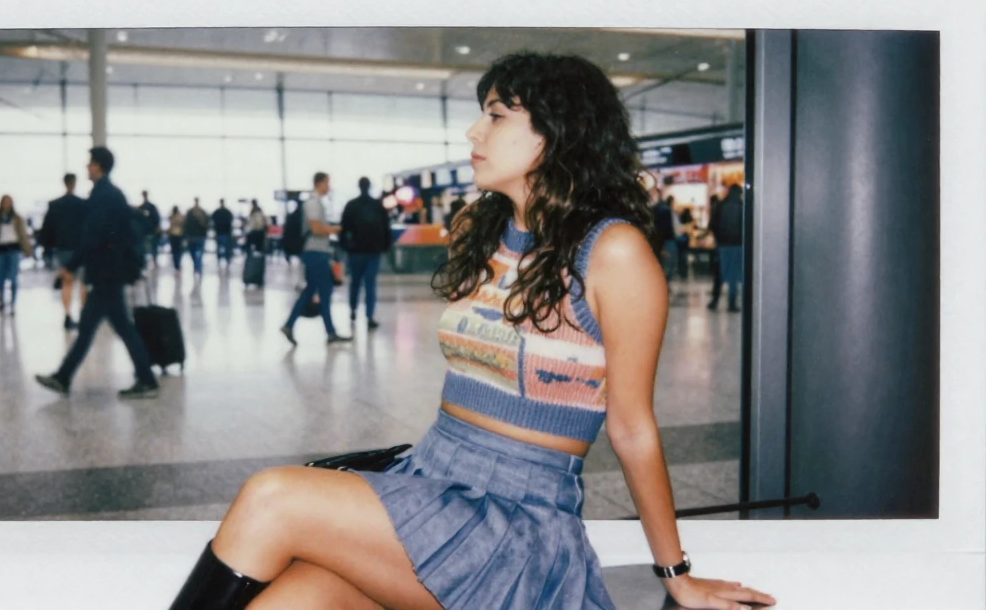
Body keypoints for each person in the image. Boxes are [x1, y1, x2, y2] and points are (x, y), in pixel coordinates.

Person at [167, 53, 776, 610]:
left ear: (558, 132)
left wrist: (676, 572)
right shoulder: (481, 230)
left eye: (496, 115)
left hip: (512, 525)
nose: (473, 134)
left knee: (273, 497)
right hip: (428, 483)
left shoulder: (613, 253)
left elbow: (633, 426)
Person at [35, 147, 159, 398]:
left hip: (106, 273)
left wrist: (70, 266)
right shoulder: (109, 194)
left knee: (105, 328)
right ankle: (65, 377)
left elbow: (92, 237)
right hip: (109, 272)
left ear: (99, 166)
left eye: (90, 163)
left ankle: (65, 377)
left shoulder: (104, 195)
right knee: (112, 327)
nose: (87, 167)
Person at [280, 173, 353, 346]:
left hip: (317, 251)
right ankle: (330, 332)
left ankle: (289, 325)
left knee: (310, 291)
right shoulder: (312, 203)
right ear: (319, 183)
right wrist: (337, 229)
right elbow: (316, 228)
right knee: (325, 290)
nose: (329, 187)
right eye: (327, 183)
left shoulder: (316, 203)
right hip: (314, 252)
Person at [340, 176, 393, 330]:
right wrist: (385, 246)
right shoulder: (377, 205)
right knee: (370, 284)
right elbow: (386, 227)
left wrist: (344, 247)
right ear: (369, 187)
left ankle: (353, 311)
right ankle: (369, 316)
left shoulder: (351, 205)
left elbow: (344, 228)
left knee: (355, 283)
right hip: (373, 252)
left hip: (355, 251)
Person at [41, 173, 89, 328]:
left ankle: (67, 315)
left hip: (62, 248)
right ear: (74, 183)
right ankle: (83, 314)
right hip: (80, 248)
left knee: (66, 282)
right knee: (82, 282)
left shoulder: (55, 205)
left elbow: (47, 229)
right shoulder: (83, 204)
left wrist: (47, 248)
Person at [0, 194, 33, 314]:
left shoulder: (17, 218)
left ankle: (13, 303)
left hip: (13, 249)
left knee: (13, 278)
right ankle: (2, 300)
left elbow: (23, 235)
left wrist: (27, 249)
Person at [710, 183, 745, 313]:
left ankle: (715, 301)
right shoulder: (742, 205)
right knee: (735, 274)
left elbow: (712, 224)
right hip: (738, 244)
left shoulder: (721, 204)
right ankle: (731, 303)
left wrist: (719, 239)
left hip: (723, 245)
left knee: (722, 272)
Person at [184, 198, 209, 278]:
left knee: (195, 253)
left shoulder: (191, 212)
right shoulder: (202, 212)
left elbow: (186, 225)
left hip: (193, 236)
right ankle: (197, 268)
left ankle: (197, 268)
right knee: (198, 253)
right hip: (198, 236)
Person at [139, 190, 162, 268]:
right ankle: (153, 262)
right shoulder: (149, 207)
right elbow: (157, 218)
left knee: (149, 248)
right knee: (152, 248)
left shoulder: (142, 207)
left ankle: (150, 263)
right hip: (149, 231)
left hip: (149, 231)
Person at [212, 199, 235, 267]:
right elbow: (231, 221)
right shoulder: (228, 212)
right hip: (226, 232)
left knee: (219, 248)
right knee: (227, 248)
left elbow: (213, 222)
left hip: (219, 232)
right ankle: (227, 261)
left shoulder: (216, 212)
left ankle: (219, 261)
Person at [167, 205, 186, 275]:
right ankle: (178, 265)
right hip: (179, 236)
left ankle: (176, 266)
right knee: (178, 252)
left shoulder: (171, 217)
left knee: (175, 252)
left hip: (173, 236)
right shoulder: (181, 217)